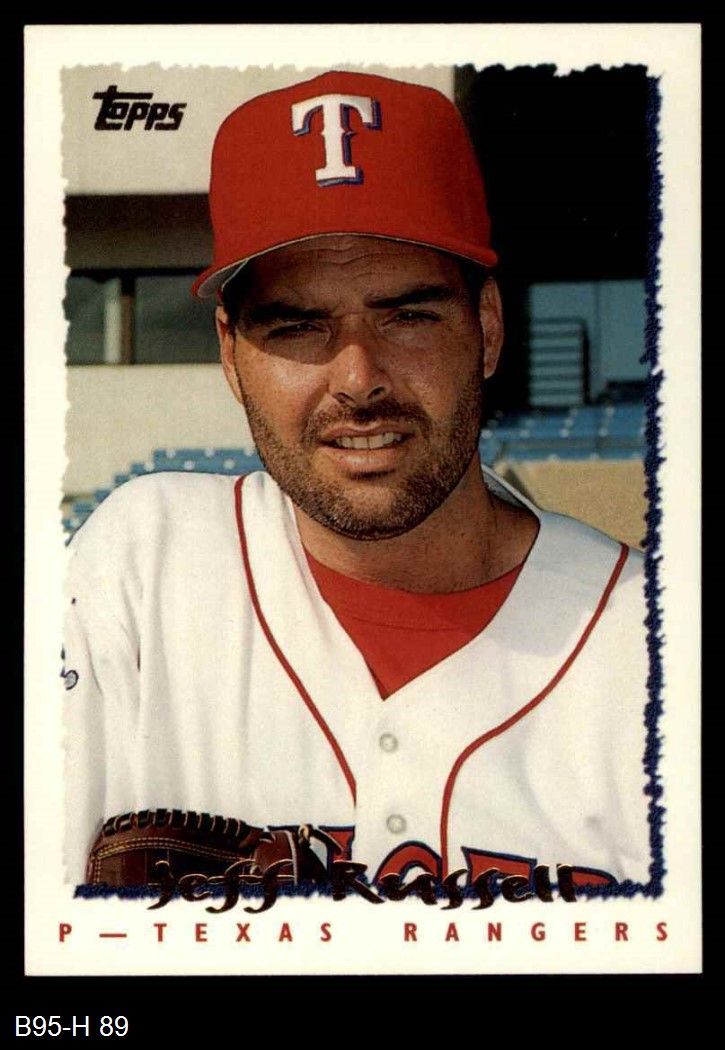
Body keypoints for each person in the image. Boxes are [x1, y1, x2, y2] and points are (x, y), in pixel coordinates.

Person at [63, 70, 652, 895]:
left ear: (486, 329)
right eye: (297, 326)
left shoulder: (654, 649)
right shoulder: (143, 569)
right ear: (231, 354)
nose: (357, 378)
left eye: (407, 315)